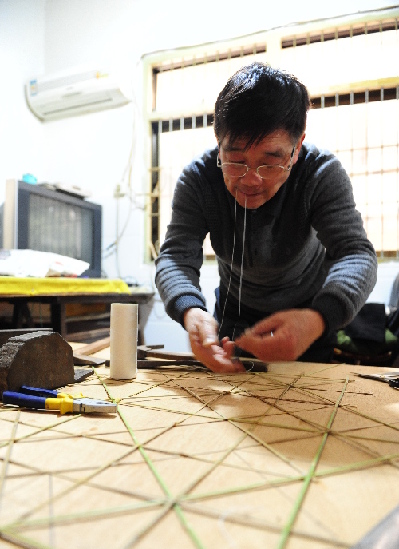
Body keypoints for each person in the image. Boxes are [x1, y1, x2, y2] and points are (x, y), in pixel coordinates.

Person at [155, 62, 377, 373]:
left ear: (296, 147)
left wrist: (318, 318)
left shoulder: (320, 173)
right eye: (235, 161)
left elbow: (356, 254)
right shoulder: (199, 178)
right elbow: (176, 256)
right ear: (218, 143)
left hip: (307, 317)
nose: (251, 179)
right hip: (233, 315)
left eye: (270, 163)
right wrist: (190, 311)